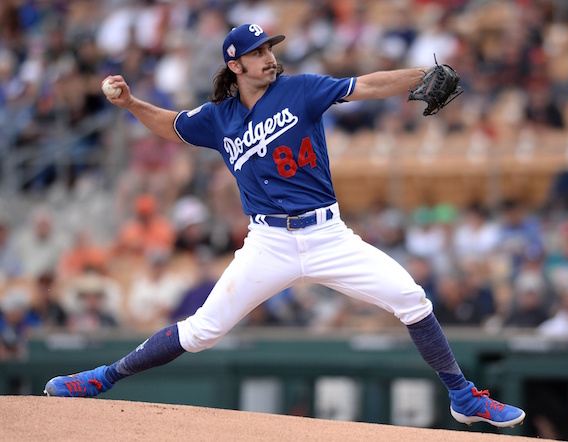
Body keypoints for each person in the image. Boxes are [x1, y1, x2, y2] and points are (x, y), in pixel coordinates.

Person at [43, 24, 525, 428]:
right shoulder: (219, 117)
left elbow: (366, 85)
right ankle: (101, 378)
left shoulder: (301, 89)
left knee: (411, 299)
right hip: (268, 243)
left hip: (327, 235)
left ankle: (463, 397)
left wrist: (420, 75)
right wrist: (130, 104)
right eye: (257, 53)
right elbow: (173, 125)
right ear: (236, 65)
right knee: (200, 333)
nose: (269, 57)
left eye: (270, 48)